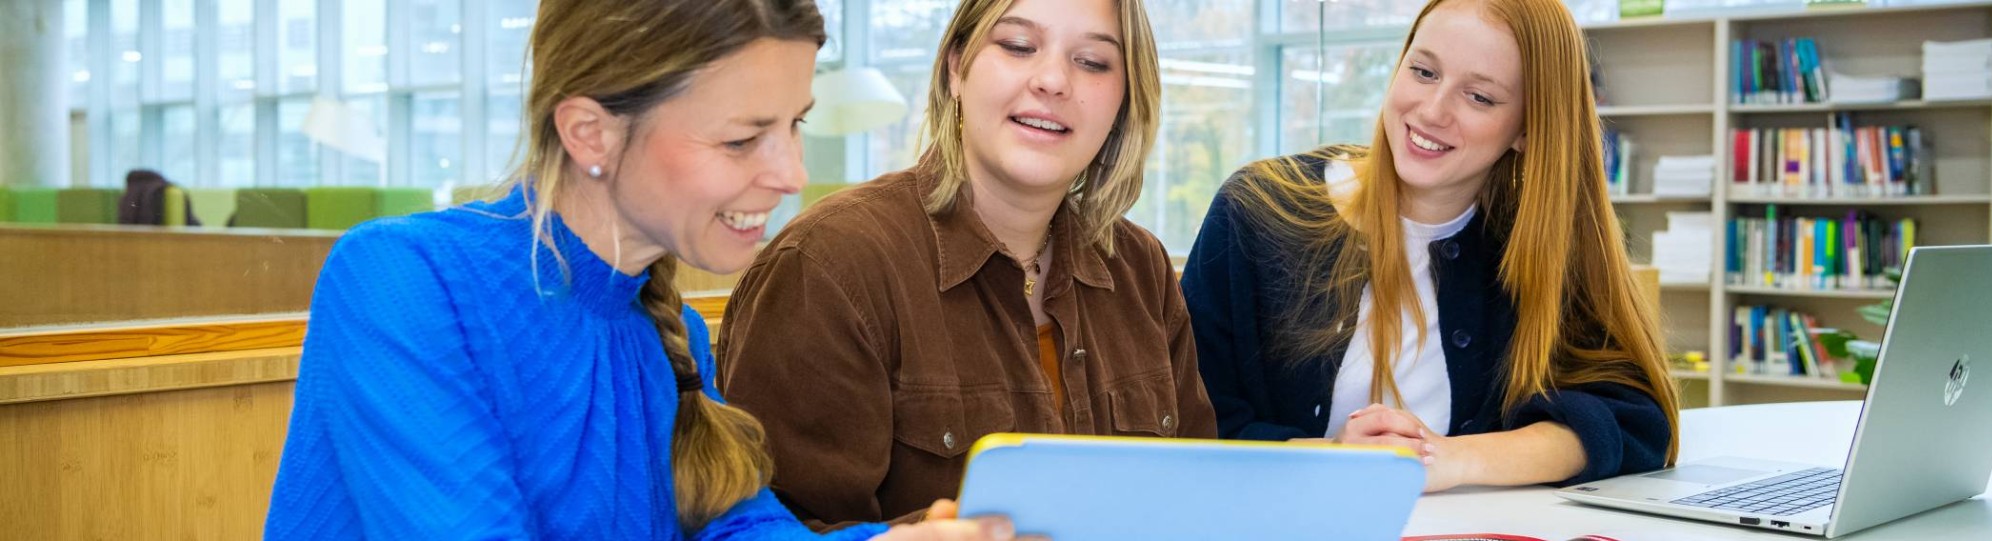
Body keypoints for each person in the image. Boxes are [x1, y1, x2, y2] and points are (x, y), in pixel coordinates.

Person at [263, 1, 1019, 539]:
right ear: (590, 131)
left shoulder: (671, 331)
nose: (792, 172)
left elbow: (739, 525)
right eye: (742, 140)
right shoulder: (401, 282)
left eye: (795, 125)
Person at [718, 0, 1214, 531]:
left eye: (1093, 61)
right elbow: (772, 528)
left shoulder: (1140, 268)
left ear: (1125, 97)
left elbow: (1199, 501)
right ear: (957, 68)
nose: (1053, 80)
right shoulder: (830, 265)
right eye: (1018, 46)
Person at [1180, 0, 1679, 493]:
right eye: (1422, 72)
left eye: (1480, 97)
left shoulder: (1533, 245)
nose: (1433, 111)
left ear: (1528, 127)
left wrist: (1450, 458)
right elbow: (1188, 423)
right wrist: (1329, 457)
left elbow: (1636, 422)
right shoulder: (1258, 209)